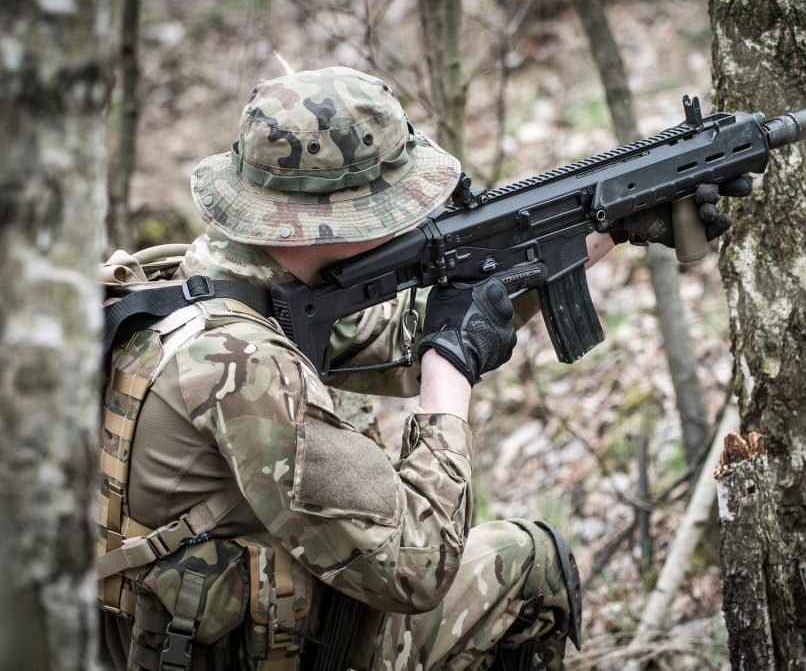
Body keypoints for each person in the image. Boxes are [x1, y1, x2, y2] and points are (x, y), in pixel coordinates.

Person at [95, 65, 746, 671]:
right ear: (329, 220)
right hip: (268, 646)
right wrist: (451, 368)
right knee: (529, 564)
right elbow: (419, 565)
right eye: (389, 205)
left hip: (191, 634)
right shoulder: (245, 371)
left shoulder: (200, 285)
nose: (409, 217)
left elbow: (396, 337)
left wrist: (608, 222)